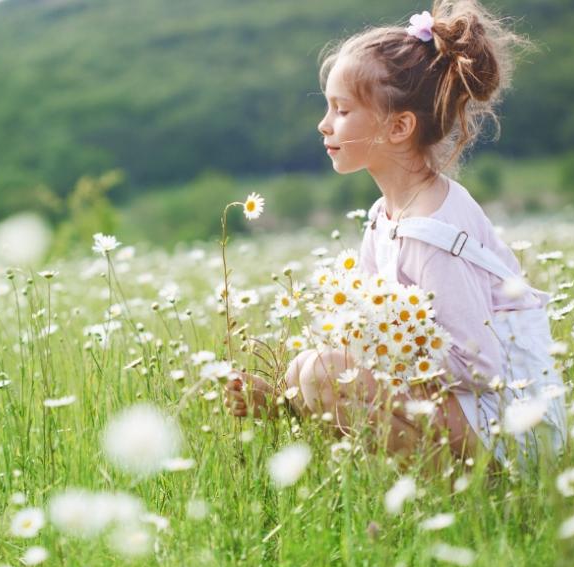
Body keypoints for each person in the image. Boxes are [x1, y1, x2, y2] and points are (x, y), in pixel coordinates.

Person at [224, 0, 547, 471]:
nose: (324, 124)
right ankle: (286, 409)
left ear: (399, 126)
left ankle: (474, 496)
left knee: (321, 374)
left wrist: (393, 345)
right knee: (309, 372)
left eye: (342, 110)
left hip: (509, 426)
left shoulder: (435, 232)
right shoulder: (384, 216)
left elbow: (482, 369)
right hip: (469, 415)